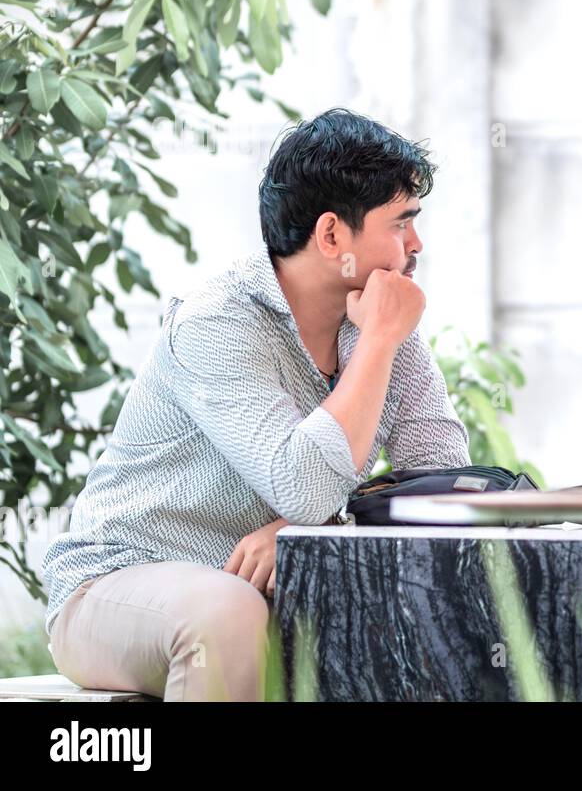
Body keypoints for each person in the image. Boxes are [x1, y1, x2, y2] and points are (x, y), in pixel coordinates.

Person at [42, 109, 470, 701]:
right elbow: (306, 488)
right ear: (331, 236)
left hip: (275, 592)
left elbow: (443, 487)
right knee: (227, 613)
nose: (416, 244)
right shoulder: (216, 323)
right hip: (116, 586)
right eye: (401, 223)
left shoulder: (382, 327)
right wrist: (377, 343)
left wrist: (315, 529)